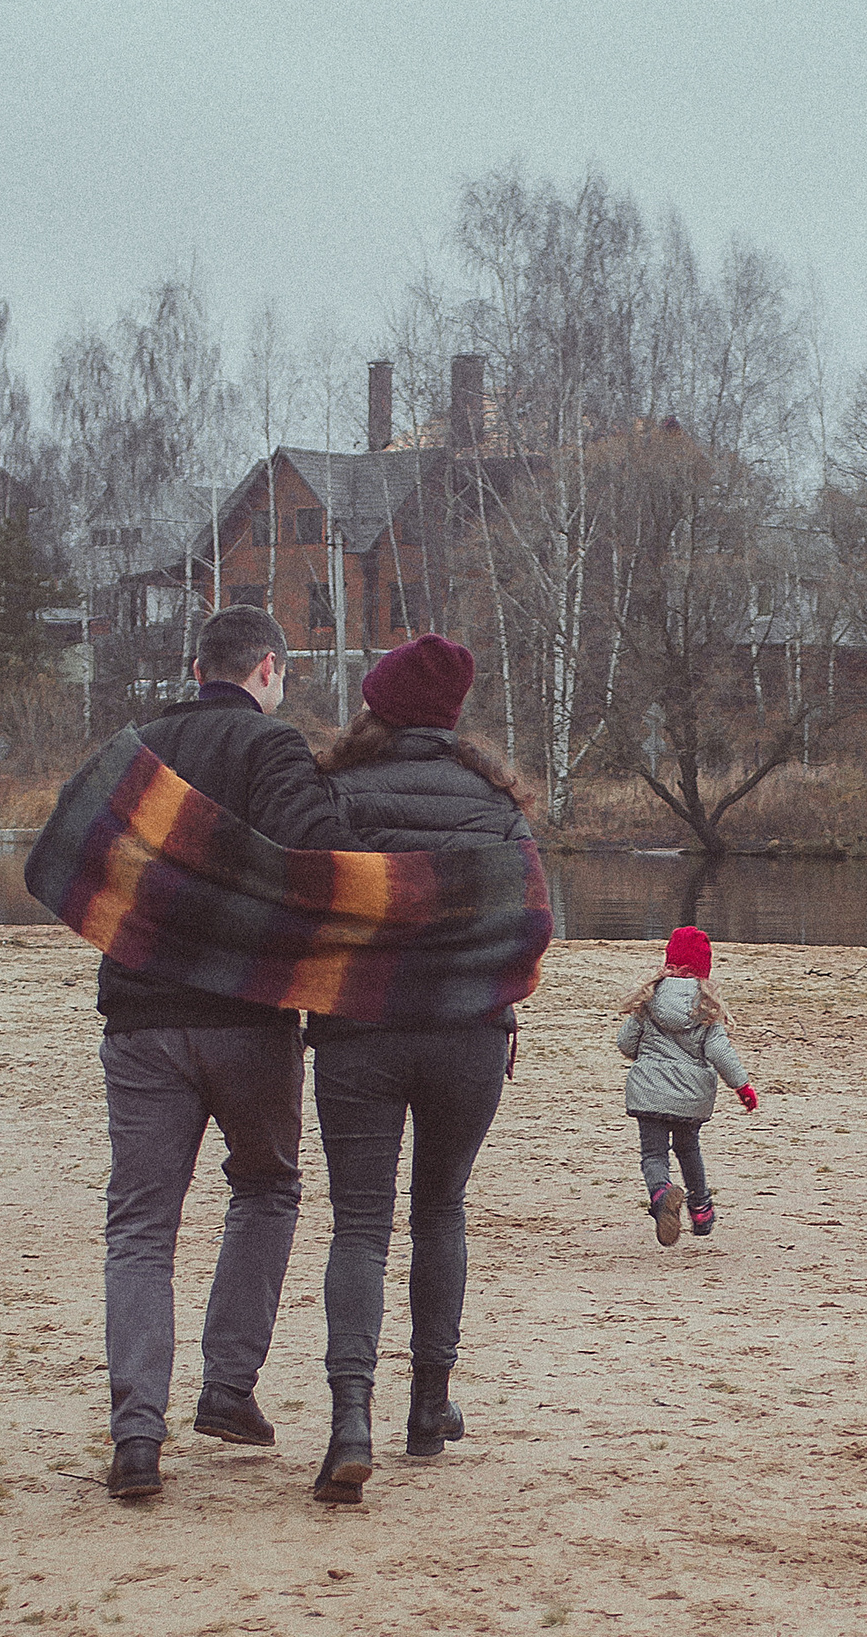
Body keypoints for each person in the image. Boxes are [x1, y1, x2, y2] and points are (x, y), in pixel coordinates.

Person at [95, 605, 355, 1504]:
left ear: (194, 664)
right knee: (268, 1187)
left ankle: (136, 1436)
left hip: (138, 1013)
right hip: (247, 1015)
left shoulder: (136, 749)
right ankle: (227, 1388)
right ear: (268, 670)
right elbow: (316, 856)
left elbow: (92, 861)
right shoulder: (270, 750)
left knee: (140, 1227)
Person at [306, 633, 537, 1506]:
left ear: (375, 705)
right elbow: (527, 923)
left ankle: (349, 1424)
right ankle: (429, 1409)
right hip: (468, 1035)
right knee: (441, 1209)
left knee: (359, 1225)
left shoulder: (334, 794)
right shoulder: (496, 802)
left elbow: (309, 906)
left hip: (359, 1033)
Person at [615, 925, 757, 1243]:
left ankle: (661, 1192)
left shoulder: (648, 1002)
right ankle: (701, 1208)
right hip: (690, 1097)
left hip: (649, 1092)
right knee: (688, 1148)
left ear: (669, 963)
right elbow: (720, 1051)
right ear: (702, 971)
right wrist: (742, 1087)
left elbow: (625, 1043)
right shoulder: (706, 1008)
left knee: (653, 1155)